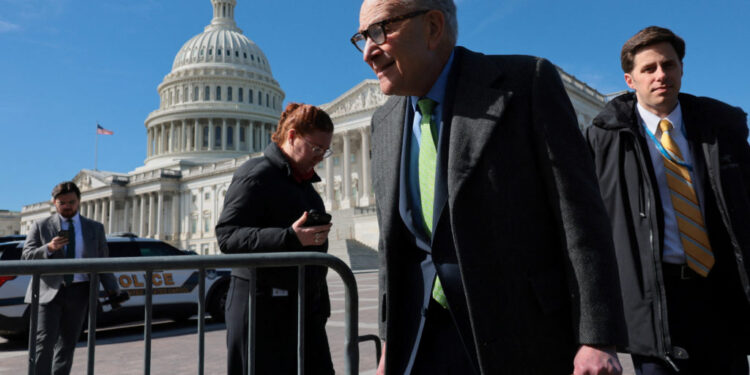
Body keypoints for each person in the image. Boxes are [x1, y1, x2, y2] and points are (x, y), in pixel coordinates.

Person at [351, 0, 624, 374]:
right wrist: (389, 346)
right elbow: (392, 250)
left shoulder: (524, 83)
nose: (368, 51)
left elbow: (579, 215)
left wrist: (597, 337)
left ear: (432, 27)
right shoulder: (384, 121)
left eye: (380, 31)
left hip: (522, 338)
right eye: (362, 37)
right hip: (423, 342)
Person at [585, 26, 750, 374]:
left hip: (721, 292)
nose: (661, 75)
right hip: (652, 300)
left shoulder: (721, 127)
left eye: (668, 65)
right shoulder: (604, 138)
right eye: (649, 69)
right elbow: (588, 229)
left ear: (681, 69)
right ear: (630, 80)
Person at [215, 103, 336, 375]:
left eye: (324, 151)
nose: (319, 157)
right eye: (315, 148)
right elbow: (227, 236)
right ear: (292, 136)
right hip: (261, 310)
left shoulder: (306, 188)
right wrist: (289, 237)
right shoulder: (256, 174)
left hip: (302, 310)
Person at [22, 181, 122, 375]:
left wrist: (113, 289)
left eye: (71, 202)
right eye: (62, 202)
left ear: (79, 201)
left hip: (80, 291)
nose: (67, 206)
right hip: (48, 292)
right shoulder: (41, 225)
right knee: (43, 344)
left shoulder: (95, 228)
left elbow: (103, 261)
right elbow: (26, 257)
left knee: (68, 344)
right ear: (54, 203)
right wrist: (49, 248)